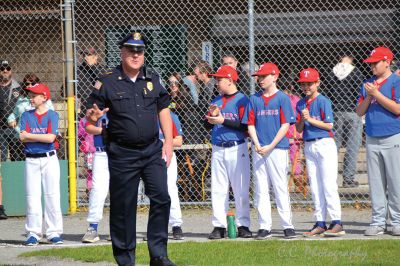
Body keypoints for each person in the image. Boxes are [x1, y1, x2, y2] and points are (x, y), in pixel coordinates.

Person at [86, 32, 176, 266]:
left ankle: (158, 255)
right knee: (124, 206)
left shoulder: (153, 78)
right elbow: (89, 118)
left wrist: (168, 141)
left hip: (151, 151)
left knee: (162, 198)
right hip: (122, 153)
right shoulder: (107, 80)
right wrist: (94, 117)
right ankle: (126, 259)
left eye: (140, 51)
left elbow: (163, 110)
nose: (136, 55)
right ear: (122, 53)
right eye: (131, 51)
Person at [242, 62, 296, 239]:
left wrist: (271, 145)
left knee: (280, 186)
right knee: (260, 188)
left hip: (277, 149)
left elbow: (285, 125)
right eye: (259, 77)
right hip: (259, 149)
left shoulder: (282, 98)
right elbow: (250, 124)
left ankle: (288, 225)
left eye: (264, 76)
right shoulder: (254, 99)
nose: (260, 80)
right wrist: (257, 144)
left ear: (275, 77)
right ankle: (265, 226)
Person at [356, 46, 400, 236]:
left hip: (393, 135)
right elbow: (359, 111)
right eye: (370, 63)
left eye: (375, 62)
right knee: (376, 182)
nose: (371, 66)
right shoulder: (368, 83)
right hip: (373, 136)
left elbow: (397, 109)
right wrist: (369, 95)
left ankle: (397, 221)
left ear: (387, 62)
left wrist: (377, 94)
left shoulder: (396, 81)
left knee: (395, 181)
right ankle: (378, 221)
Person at [295, 68, 344, 237]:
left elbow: (329, 126)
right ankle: (320, 222)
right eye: (303, 84)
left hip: (324, 143)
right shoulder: (301, 103)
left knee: (329, 184)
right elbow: (299, 129)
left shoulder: (323, 101)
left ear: (318, 83)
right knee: (315, 186)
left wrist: (310, 119)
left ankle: (337, 221)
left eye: (310, 83)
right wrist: (302, 119)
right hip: (309, 144)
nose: (306, 86)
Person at [204, 65, 251, 239]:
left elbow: (245, 126)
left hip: (237, 147)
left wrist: (222, 120)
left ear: (230, 80)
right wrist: (212, 116)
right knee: (218, 189)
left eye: (220, 79)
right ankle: (219, 226)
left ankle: (243, 225)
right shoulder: (216, 100)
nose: (217, 82)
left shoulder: (242, 100)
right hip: (218, 148)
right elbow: (206, 125)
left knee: (240, 188)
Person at [19, 83, 63, 245]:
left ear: (44, 97)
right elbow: (22, 137)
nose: (31, 98)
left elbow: (51, 138)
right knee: (32, 197)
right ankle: (33, 232)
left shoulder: (52, 115)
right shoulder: (26, 115)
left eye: (34, 95)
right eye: (30, 95)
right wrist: (36, 136)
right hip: (31, 159)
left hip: (49, 158)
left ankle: (53, 232)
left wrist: (30, 135)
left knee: (52, 195)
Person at [326, 56, 364, 188]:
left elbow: (328, 94)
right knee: (353, 145)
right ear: (351, 58)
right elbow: (359, 93)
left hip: (335, 111)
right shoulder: (356, 72)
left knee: (334, 146)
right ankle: (348, 178)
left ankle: (329, 177)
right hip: (353, 111)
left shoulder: (331, 72)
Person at [7, 74, 55, 161]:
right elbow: (14, 113)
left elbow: (51, 118)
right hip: (21, 135)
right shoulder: (21, 99)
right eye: (26, 84)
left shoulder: (45, 100)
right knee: (19, 162)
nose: (29, 85)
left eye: (32, 83)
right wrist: (11, 119)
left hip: (38, 135)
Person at [82, 114, 110, 243]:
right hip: (101, 152)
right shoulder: (98, 105)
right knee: (97, 190)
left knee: (120, 191)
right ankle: (93, 227)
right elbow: (88, 126)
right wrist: (105, 130)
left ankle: (117, 230)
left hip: (121, 152)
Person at [282, 79, 304, 193]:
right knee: (292, 158)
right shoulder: (293, 99)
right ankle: (294, 180)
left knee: (294, 157)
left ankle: (296, 180)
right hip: (288, 132)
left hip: (290, 132)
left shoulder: (293, 99)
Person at [0, 60, 22, 161]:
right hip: (0, 129)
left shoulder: (19, 87)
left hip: (15, 128)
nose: (5, 71)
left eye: (8, 68)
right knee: (2, 160)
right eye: (2, 68)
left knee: (16, 158)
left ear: (11, 70)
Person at [77, 47, 101, 116]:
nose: (86, 58)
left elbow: (103, 81)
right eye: (84, 55)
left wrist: (93, 67)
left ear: (96, 57)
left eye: (89, 55)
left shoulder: (102, 70)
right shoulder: (78, 70)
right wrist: (72, 97)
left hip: (97, 109)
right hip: (81, 110)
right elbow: (64, 89)